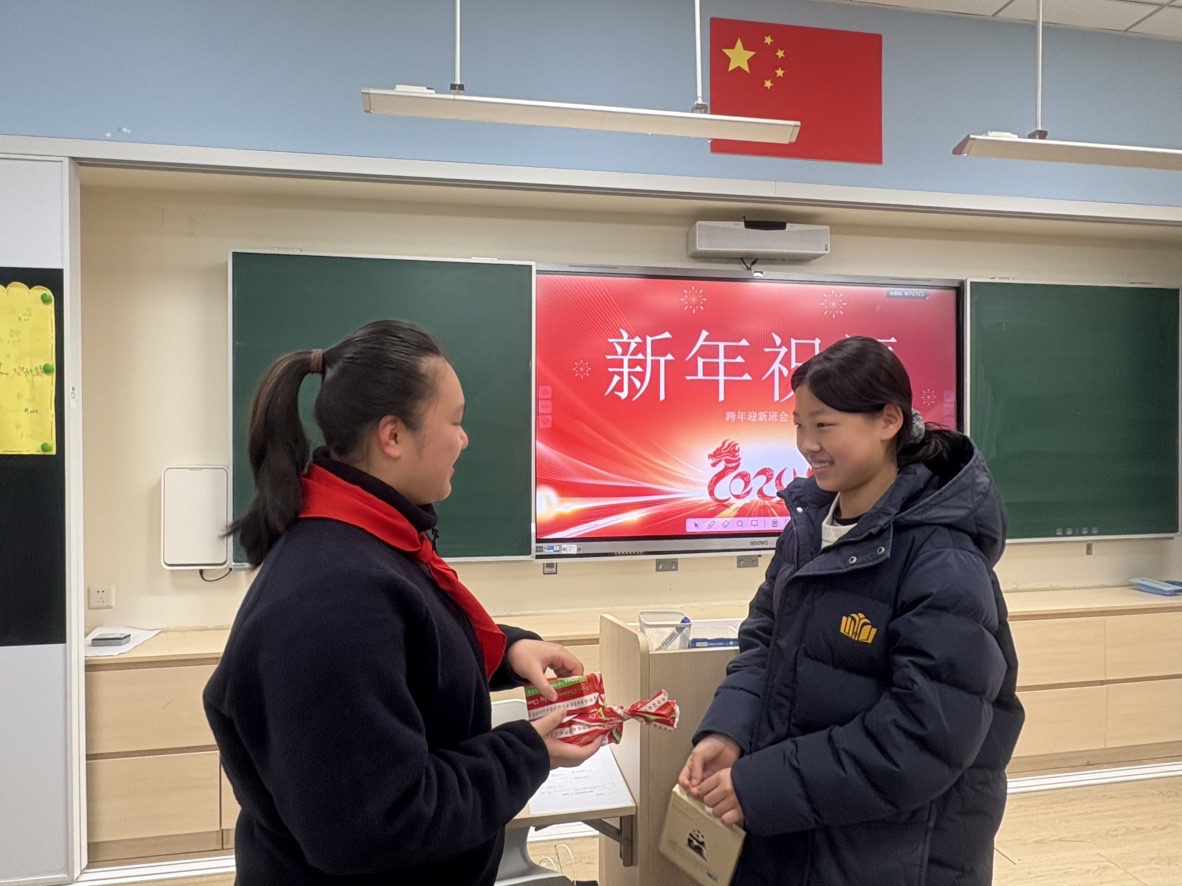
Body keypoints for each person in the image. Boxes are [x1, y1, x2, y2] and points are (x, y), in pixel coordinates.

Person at [204, 319, 601, 886]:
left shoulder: (368, 540)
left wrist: (509, 651)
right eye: (456, 421)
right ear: (392, 436)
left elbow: (411, 649)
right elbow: (379, 823)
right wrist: (527, 752)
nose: (464, 440)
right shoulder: (333, 598)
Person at [680, 336, 1024, 886]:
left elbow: (925, 736)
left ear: (888, 420)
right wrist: (728, 730)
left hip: (890, 856)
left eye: (824, 425)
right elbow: (764, 644)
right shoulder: (807, 532)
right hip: (792, 836)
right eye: (799, 425)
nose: (807, 444)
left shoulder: (943, 562)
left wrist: (764, 785)